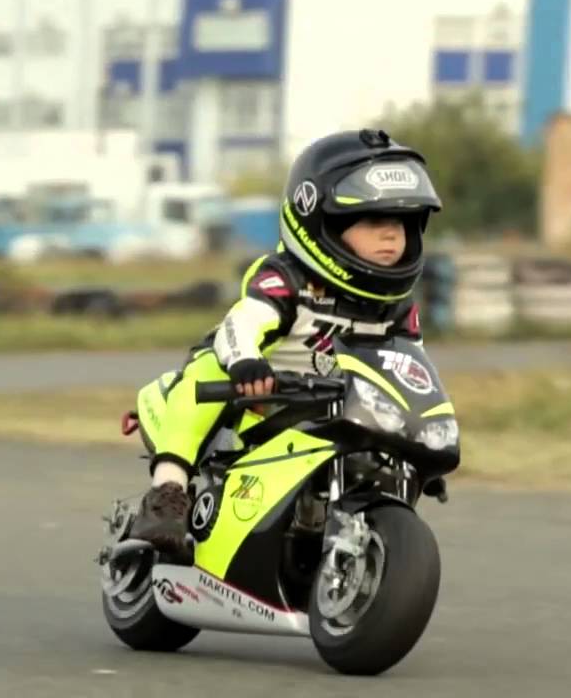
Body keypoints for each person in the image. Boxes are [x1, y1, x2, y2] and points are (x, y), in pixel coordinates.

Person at [127, 128, 443, 555]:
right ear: (320, 222)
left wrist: (419, 438)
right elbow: (245, 321)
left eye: (401, 223)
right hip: (255, 392)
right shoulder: (285, 277)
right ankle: (167, 495)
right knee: (202, 376)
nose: (391, 235)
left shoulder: (396, 307)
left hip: (336, 404)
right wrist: (245, 364)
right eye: (372, 221)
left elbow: (412, 369)